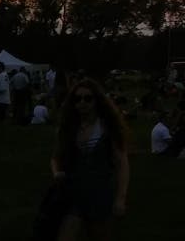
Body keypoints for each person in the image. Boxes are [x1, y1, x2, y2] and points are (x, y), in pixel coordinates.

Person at [50, 78, 129, 241]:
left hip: (101, 194)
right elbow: (56, 157)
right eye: (77, 99)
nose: (82, 102)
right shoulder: (68, 128)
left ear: (97, 100)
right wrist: (56, 172)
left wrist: (120, 198)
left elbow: (122, 163)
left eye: (88, 98)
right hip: (74, 194)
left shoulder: (107, 128)